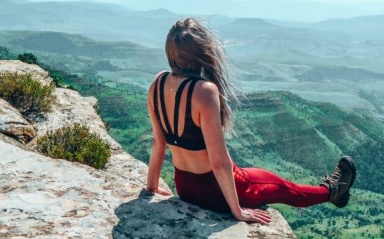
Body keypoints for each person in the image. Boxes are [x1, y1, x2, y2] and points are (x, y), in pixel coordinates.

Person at [145, 17, 357, 225]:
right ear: (202, 51)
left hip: (185, 187)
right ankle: (333, 191)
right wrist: (237, 211)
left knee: (262, 176)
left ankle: (332, 191)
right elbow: (219, 163)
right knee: (285, 188)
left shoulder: (158, 82)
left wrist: (152, 187)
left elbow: (158, 143)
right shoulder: (204, 92)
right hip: (217, 191)